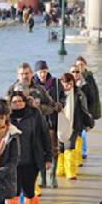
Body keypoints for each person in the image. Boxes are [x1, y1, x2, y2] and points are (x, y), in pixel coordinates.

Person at [7, 91, 51, 204]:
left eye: (20, 101)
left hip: (31, 161)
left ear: (25, 102)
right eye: (14, 102)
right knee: (13, 194)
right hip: (13, 163)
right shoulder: (7, 117)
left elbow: (45, 134)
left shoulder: (34, 114)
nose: (18, 104)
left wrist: (48, 157)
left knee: (30, 192)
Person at [32, 60, 65, 188]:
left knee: (53, 149)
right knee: (38, 149)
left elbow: (63, 97)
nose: (43, 74)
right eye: (40, 72)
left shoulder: (56, 83)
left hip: (52, 121)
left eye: (45, 71)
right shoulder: (32, 85)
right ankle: (42, 177)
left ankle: (52, 176)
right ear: (36, 72)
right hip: (36, 122)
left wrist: (61, 104)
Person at [56, 72, 93, 180]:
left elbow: (84, 110)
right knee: (59, 149)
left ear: (73, 83)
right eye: (64, 83)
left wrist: (88, 123)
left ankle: (70, 172)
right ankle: (60, 169)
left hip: (73, 125)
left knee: (70, 148)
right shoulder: (56, 95)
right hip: (58, 126)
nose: (66, 85)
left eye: (69, 83)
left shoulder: (79, 94)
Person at [74, 56, 101, 160]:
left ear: (85, 65)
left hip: (86, 111)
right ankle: (78, 152)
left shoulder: (89, 78)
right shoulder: (71, 78)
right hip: (75, 112)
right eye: (78, 65)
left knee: (83, 133)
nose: (80, 67)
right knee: (77, 134)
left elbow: (94, 97)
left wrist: (92, 115)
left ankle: (83, 151)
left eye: (81, 64)